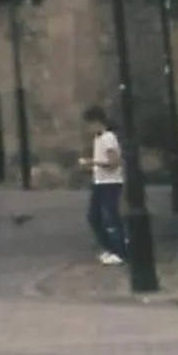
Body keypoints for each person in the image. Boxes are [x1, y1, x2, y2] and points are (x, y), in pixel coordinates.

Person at [80, 105, 126, 265]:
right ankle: (110, 247)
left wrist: (92, 162)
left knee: (111, 217)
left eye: (88, 124)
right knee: (94, 216)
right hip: (99, 182)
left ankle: (120, 250)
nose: (87, 129)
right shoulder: (98, 138)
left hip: (111, 182)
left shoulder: (108, 138)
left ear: (96, 122)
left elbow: (114, 162)